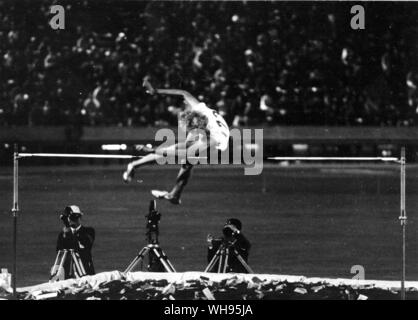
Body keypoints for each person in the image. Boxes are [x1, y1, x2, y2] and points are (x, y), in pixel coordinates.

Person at [123, 79, 230, 205]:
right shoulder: (202, 110)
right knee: (183, 156)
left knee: (185, 158)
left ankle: (172, 193)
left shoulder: (211, 138)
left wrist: (152, 149)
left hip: (220, 145)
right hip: (213, 133)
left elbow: (182, 154)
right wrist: (155, 91)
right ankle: (172, 193)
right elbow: (183, 93)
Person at [56, 205, 95, 278]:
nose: (70, 220)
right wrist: (67, 232)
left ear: (79, 217)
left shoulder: (88, 231)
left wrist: (70, 232)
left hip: (84, 270)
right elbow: (59, 252)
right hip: (68, 272)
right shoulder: (63, 234)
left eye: (72, 217)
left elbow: (85, 246)